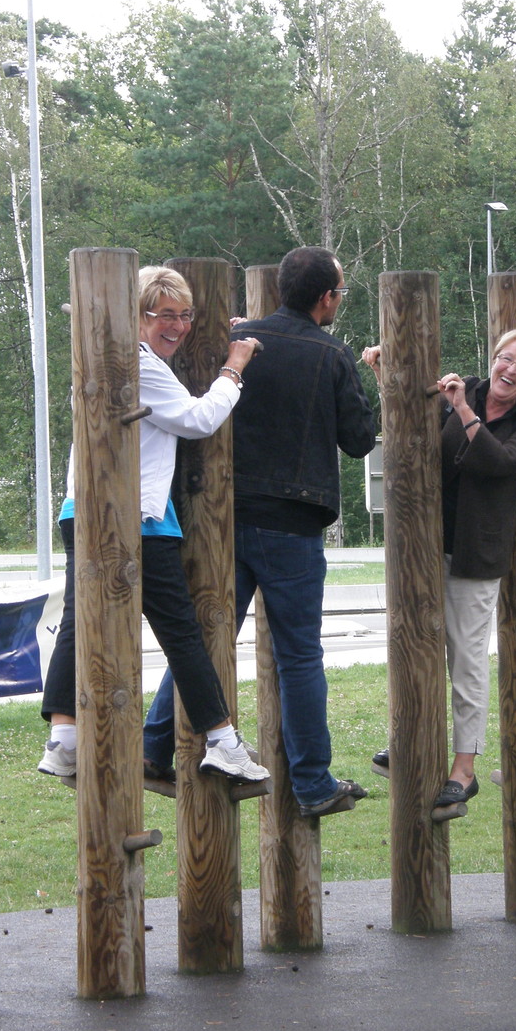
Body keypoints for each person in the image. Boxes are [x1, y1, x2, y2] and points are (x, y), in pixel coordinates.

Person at [143, 246, 377, 818]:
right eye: (339, 294)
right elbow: (359, 440)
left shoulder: (240, 341)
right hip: (294, 526)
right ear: (326, 298)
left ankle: (153, 748)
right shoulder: (333, 353)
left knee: (201, 643)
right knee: (298, 657)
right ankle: (314, 782)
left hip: (223, 518)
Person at [38, 265, 269, 787]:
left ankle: (64, 740)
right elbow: (198, 418)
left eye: (186, 315)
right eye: (165, 315)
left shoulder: (107, 348)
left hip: (86, 508)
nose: (179, 326)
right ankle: (223, 742)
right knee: (183, 634)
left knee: (81, 620)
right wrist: (234, 367)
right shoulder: (142, 364)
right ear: (136, 317)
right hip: (136, 516)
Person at [362, 327, 516, 812]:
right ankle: (408, 746)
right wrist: (385, 371)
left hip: (475, 558)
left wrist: (464, 410)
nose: (509, 370)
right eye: (505, 358)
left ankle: (463, 770)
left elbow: (499, 462)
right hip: (424, 547)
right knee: (414, 647)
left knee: (465, 663)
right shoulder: (457, 389)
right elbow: (406, 425)